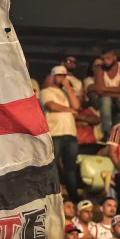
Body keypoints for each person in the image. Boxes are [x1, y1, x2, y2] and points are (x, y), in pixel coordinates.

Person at [40, 65, 80, 202]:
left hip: (70, 133)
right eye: (58, 75)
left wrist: (68, 88)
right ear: (53, 76)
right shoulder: (46, 91)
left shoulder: (68, 92)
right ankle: (51, 194)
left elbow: (77, 106)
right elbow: (51, 106)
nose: (61, 78)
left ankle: (73, 196)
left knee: (71, 167)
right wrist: (69, 110)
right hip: (55, 133)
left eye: (63, 76)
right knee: (53, 165)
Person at [93, 50, 120, 136]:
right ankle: (108, 133)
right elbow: (99, 90)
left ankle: (118, 133)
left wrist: (105, 88)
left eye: (108, 58)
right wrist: (118, 93)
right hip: (106, 98)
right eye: (103, 59)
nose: (105, 61)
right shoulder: (99, 69)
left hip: (119, 97)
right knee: (106, 101)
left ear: (114, 58)